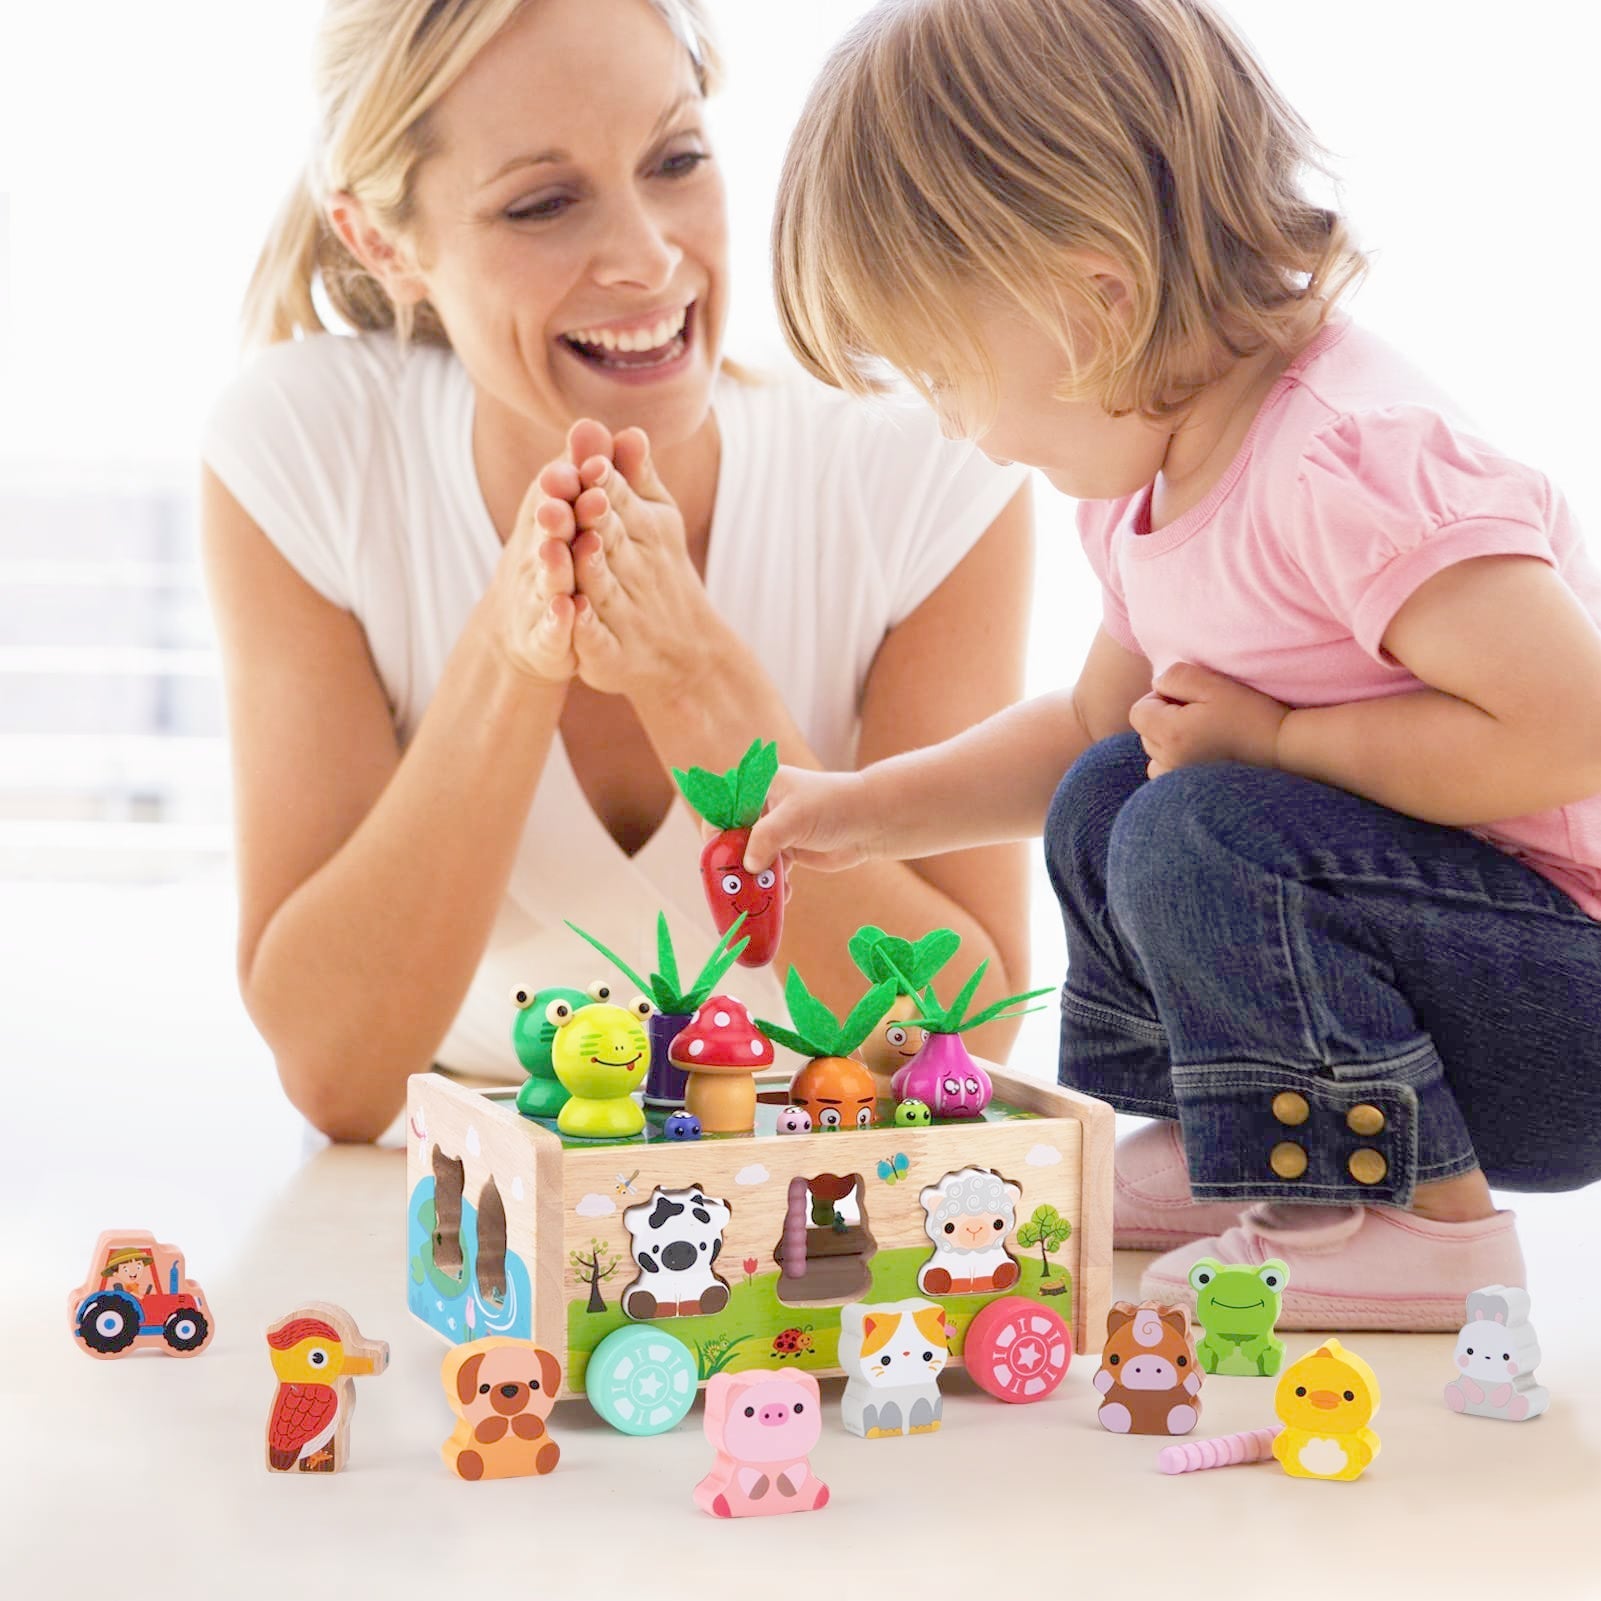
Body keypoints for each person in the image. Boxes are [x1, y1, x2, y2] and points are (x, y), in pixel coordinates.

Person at [749, 0, 1601, 1328]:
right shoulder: (1143, 476)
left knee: (1198, 818)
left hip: (1562, 1002)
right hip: (1427, 985)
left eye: (942, 369)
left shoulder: (1345, 457)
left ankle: (1432, 1233)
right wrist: (863, 811)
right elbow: (1096, 721)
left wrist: (1279, 741)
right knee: (1117, 782)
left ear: (1094, 304)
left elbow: (1568, 726)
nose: (953, 425)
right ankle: (1242, 1153)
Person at [199, 0, 1033, 1142]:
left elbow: (956, 1044)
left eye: (675, 159)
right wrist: (511, 652)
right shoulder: (309, 453)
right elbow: (341, 1076)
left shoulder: (922, 465)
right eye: (542, 202)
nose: (646, 257)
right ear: (380, 241)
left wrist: (696, 683)